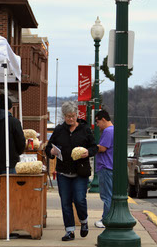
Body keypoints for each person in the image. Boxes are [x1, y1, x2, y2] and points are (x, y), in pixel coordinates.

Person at [45, 101, 98, 242]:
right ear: (64, 116)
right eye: (68, 116)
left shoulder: (85, 129)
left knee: (79, 200)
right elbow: (48, 147)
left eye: (73, 116)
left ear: (77, 115)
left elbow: (94, 147)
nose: (71, 119)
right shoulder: (59, 130)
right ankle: (69, 231)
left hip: (80, 172)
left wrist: (88, 152)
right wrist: (50, 152)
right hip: (63, 172)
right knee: (65, 202)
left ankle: (84, 221)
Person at [0, 94, 25, 203]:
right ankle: (8, 214)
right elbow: (21, 142)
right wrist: (18, 152)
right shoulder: (14, 122)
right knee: (10, 187)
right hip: (10, 161)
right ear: (10, 108)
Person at [94, 109, 114, 228]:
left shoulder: (108, 131)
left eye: (97, 121)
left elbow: (102, 148)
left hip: (106, 166)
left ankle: (105, 220)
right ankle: (108, 218)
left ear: (103, 119)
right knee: (109, 194)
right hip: (109, 166)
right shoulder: (113, 130)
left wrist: (91, 147)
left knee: (106, 195)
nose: (97, 124)